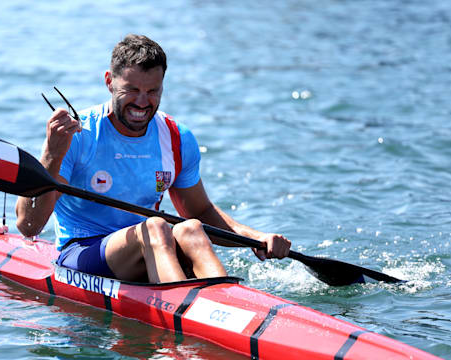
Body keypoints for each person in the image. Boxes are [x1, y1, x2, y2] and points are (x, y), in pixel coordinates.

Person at [16, 34, 291, 283]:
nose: (142, 102)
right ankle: (184, 305)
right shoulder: (77, 135)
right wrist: (52, 154)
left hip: (152, 243)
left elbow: (201, 212)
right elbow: (29, 225)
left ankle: (229, 302)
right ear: (109, 82)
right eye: (132, 90)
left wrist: (255, 238)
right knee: (157, 226)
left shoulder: (176, 137)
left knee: (192, 228)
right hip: (82, 252)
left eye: (153, 91)